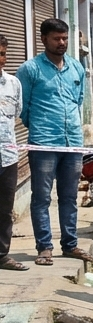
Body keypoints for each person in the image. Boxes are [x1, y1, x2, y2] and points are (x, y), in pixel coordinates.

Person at [17, 18, 90, 266]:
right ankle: (44, 247)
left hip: (72, 144)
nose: (62, 43)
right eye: (56, 38)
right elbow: (23, 108)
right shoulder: (30, 70)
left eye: (64, 38)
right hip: (43, 144)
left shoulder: (76, 68)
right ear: (44, 39)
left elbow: (78, 101)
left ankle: (70, 245)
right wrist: (41, 128)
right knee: (42, 198)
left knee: (69, 197)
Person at [0, 35, 21, 271]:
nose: (1, 59)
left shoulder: (13, 84)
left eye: (3, 53)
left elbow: (17, 113)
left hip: (7, 157)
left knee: (4, 210)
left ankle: (2, 255)